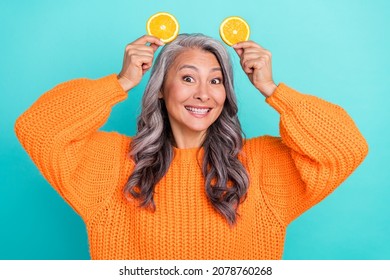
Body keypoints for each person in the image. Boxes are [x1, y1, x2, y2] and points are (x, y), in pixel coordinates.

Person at [15, 33, 368, 260]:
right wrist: (121, 82)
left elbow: (346, 148)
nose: (203, 93)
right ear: (161, 88)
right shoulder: (113, 164)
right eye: (187, 78)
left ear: (226, 93)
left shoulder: (258, 166)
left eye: (216, 81)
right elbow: (38, 128)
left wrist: (273, 90)